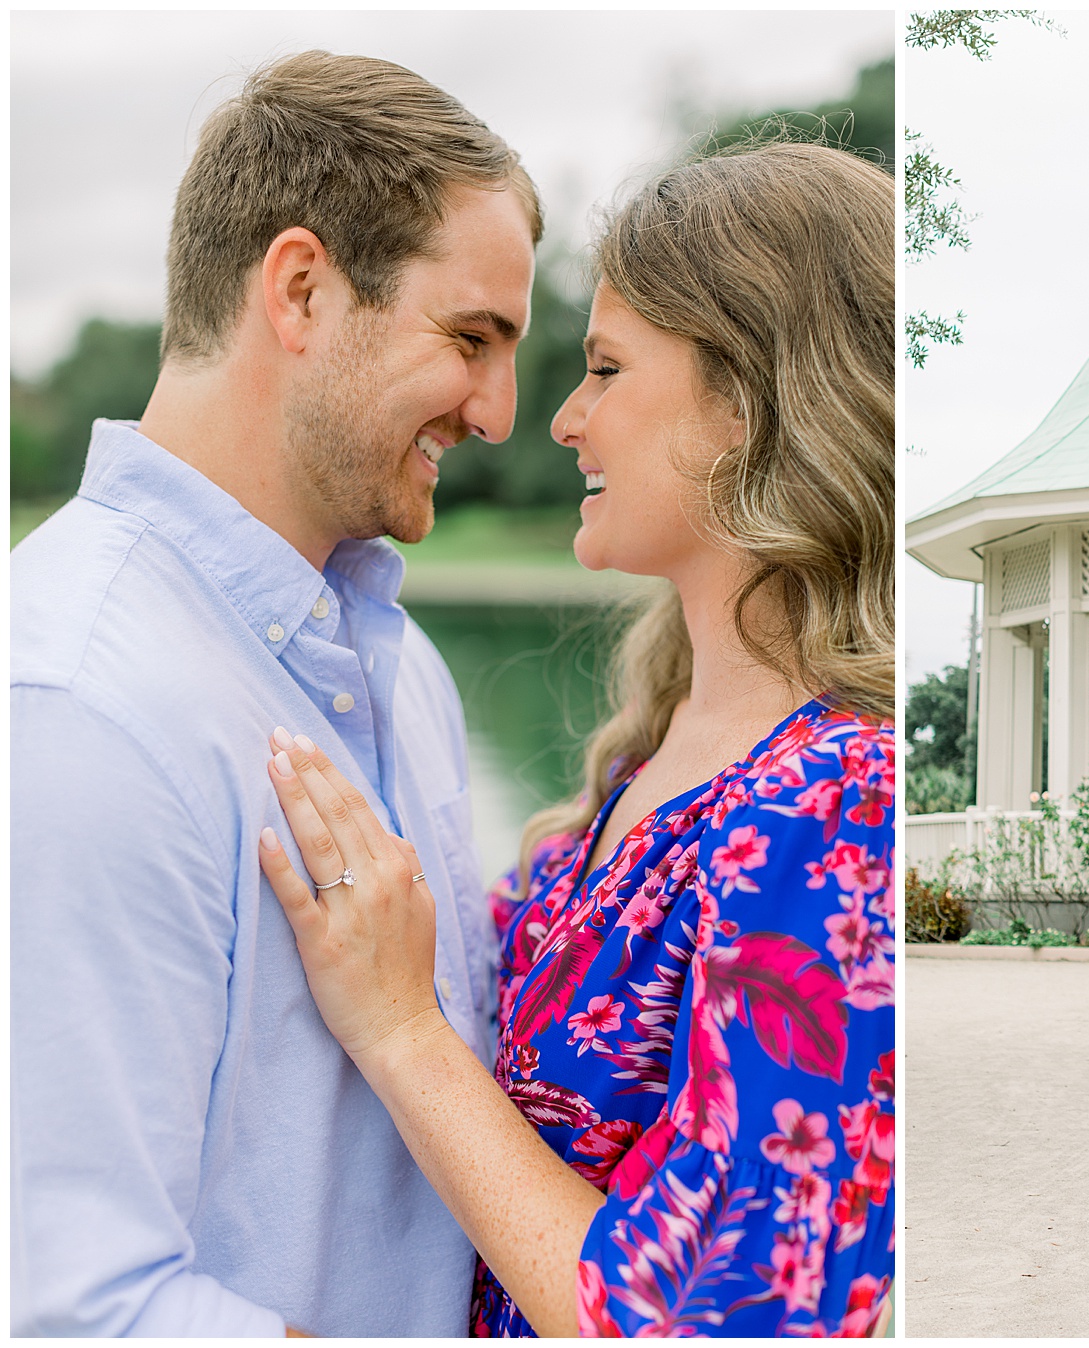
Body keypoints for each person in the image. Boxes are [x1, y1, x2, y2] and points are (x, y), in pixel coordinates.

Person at [254, 141, 896, 1336]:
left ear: (749, 401)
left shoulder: (839, 801)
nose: (560, 419)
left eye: (605, 369)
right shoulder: (663, 750)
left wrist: (401, 1030)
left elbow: (704, 1320)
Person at [10, 53, 541, 1335]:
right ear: (301, 289)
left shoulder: (403, 669)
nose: (499, 412)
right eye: (471, 339)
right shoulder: (73, 702)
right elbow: (77, 1313)